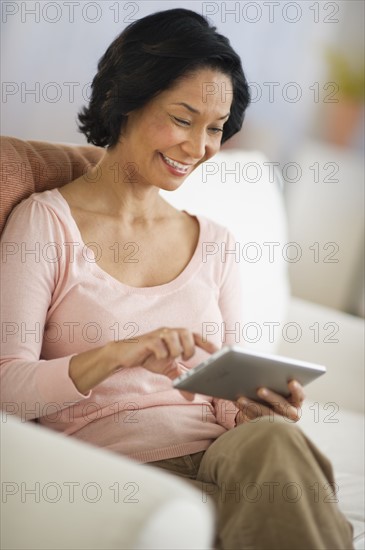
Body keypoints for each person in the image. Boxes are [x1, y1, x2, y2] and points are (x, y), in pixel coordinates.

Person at [0, 8, 354, 550]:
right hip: (120, 467)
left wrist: (255, 405)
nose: (199, 148)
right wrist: (117, 354)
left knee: (275, 440)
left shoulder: (216, 241)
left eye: (215, 129)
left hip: (222, 456)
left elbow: (228, 395)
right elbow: (9, 390)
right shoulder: (45, 223)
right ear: (126, 103)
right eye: (183, 119)